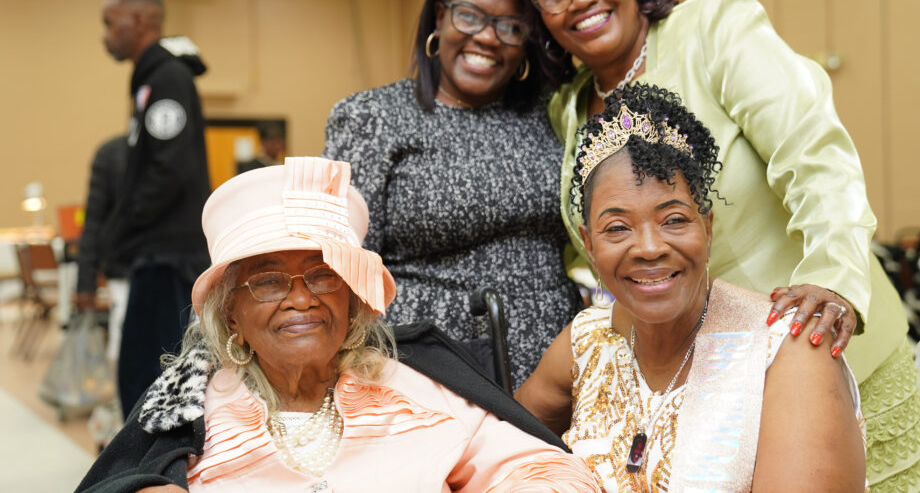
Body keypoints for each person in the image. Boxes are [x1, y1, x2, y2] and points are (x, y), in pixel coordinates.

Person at [509, 0, 920, 490]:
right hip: (697, 389)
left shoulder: (711, 30)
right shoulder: (571, 107)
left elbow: (815, 153)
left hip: (815, 346)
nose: (579, 0)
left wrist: (833, 278)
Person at [75, 157, 599, 492]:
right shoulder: (191, 411)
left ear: (352, 298)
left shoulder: (420, 386)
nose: (301, 298)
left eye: (324, 277)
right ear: (230, 310)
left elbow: (540, 467)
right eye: (270, 281)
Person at [516, 84, 866, 490]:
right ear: (590, 246)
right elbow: (497, 449)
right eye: (617, 228)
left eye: (674, 220)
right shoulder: (587, 342)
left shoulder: (787, 352)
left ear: (708, 228)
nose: (649, 248)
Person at [323, 0, 582, 388]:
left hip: (559, 369)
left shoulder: (554, 112)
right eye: (470, 16)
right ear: (439, 19)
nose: (487, 36)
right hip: (428, 372)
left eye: (510, 26)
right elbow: (346, 265)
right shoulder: (373, 116)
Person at [100, 0, 211, 419]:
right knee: (137, 373)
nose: (105, 34)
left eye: (110, 23)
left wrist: (123, 229)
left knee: (158, 377)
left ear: (140, 21)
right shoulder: (150, 80)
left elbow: (169, 170)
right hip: (153, 252)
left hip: (169, 257)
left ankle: (157, 471)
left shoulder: (167, 78)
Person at [74, 133, 130, 362]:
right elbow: (94, 221)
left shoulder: (178, 151)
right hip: (124, 269)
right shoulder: (112, 154)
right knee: (125, 340)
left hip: (171, 271)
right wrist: (85, 283)